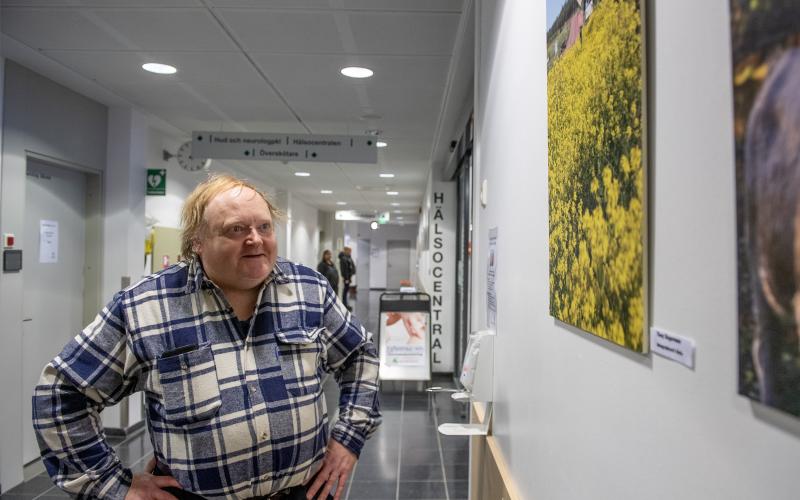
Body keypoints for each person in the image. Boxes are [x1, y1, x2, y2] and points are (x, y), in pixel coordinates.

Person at [32, 174, 381, 500]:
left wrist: (348, 440)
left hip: (302, 492)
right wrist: (114, 485)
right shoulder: (146, 307)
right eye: (236, 229)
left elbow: (359, 356)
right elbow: (61, 394)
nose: (255, 239)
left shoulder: (309, 291)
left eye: (264, 227)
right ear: (197, 242)